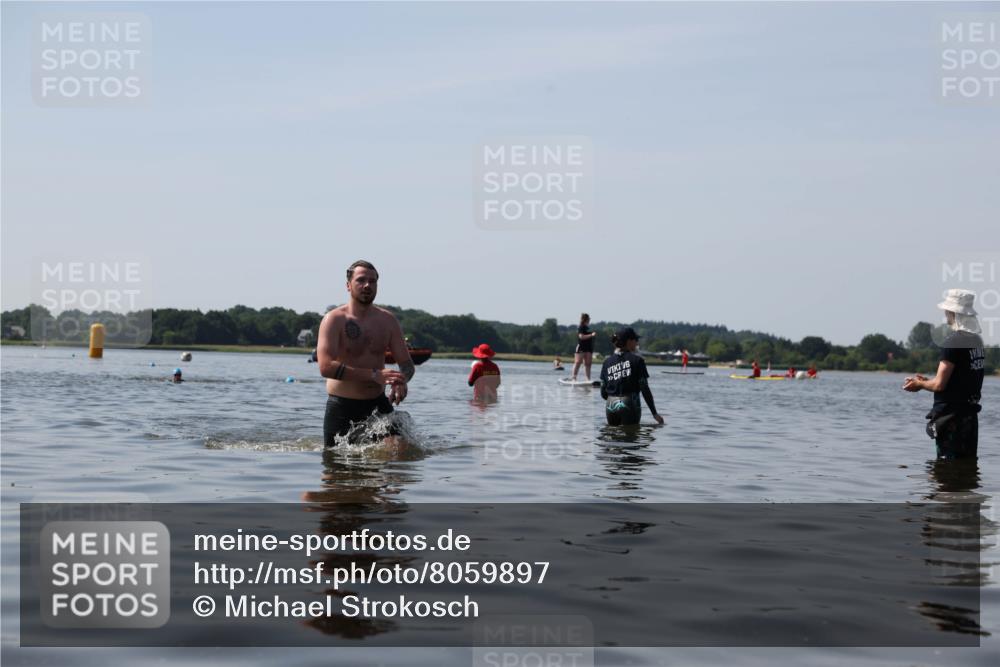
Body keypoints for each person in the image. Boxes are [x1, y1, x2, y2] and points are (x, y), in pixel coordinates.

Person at [317, 260, 414, 447]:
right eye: (361, 280)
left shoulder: (388, 321)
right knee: (337, 472)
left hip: (378, 405)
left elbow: (407, 364)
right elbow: (325, 367)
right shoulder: (334, 320)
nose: (367, 285)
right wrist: (374, 375)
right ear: (348, 285)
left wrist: (401, 380)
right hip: (343, 408)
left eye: (372, 281)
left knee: (399, 449)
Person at [903, 289, 985, 460]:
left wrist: (920, 384)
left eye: (947, 311)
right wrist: (928, 381)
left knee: (947, 469)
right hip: (969, 416)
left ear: (953, 312)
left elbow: (940, 384)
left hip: (951, 418)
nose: (945, 314)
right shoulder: (976, 341)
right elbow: (962, 378)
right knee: (967, 466)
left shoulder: (953, 342)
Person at [600, 327, 664, 426]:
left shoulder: (606, 362)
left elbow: (603, 393)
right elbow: (644, 389)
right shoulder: (638, 361)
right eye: (636, 340)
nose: (637, 343)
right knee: (630, 439)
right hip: (630, 403)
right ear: (629, 341)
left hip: (611, 404)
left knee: (612, 437)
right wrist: (654, 413)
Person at [572, 313, 597, 381]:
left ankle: (588, 379)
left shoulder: (588, 328)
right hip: (581, 347)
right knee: (578, 362)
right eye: (589, 318)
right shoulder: (581, 327)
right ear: (586, 319)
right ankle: (574, 378)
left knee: (588, 364)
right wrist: (591, 335)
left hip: (588, 348)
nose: (590, 319)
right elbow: (581, 337)